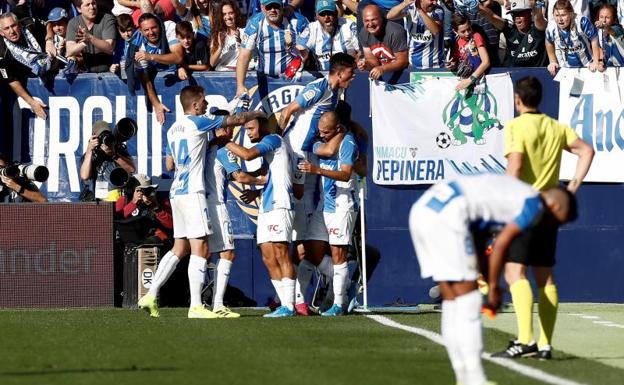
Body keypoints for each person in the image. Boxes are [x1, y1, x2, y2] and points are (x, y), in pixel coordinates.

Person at [410, 173, 578, 385]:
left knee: (453, 300)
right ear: (556, 207)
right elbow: (501, 244)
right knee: (468, 301)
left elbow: (480, 239)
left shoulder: (510, 195)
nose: (550, 227)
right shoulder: (534, 204)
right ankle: (475, 379)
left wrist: (488, 281)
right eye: (556, 222)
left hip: (423, 212)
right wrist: (492, 287)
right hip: (449, 216)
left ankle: (463, 375)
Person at [138, 85, 264, 319]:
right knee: (201, 249)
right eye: (203, 102)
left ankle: (150, 293)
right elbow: (234, 120)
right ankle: (196, 306)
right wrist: (257, 114)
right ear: (194, 105)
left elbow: (169, 165)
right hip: (194, 192)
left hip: (177, 191)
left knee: (180, 247)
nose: (205, 105)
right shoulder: (198, 123)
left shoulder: (173, 129)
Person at [493, 76, 594, 359]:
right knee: (545, 277)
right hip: (550, 209)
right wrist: (572, 188)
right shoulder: (555, 126)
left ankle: (525, 340)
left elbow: (515, 166)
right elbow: (587, 151)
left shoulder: (515, 126)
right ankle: (546, 344)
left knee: (514, 272)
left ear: (517, 99)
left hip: (525, 206)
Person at [276, 53, 356, 314]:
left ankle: (319, 296)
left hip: (309, 157)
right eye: (351, 73)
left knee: (304, 220)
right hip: (296, 152)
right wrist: (276, 145)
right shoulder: (319, 87)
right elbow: (289, 110)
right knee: (294, 204)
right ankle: (300, 298)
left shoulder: (334, 95)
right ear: (340, 72)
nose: (353, 77)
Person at [225, 116, 296, 318]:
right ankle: (284, 304)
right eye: (246, 129)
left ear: (263, 127)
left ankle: (290, 306)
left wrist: (225, 142)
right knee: (267, 255)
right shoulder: (270, 151)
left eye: (251, 128)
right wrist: (257, 191)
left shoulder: (273, 139)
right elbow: (265, 174)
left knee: (281, 252)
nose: (248, 133)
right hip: (266, 205)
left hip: (280, 204)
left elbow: (247, 156)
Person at [298, 111, 358, 316]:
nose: (322, 135)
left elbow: (345, 174)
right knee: (310, 250)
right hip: (325, 206)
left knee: (337, 254)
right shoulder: (322, 142)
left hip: (342, 204)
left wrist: (317, 170)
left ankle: (339, 304)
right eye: (320, 131)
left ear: (338, 128)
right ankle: (348, 284)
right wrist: (326, 144)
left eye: (326, 132)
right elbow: (314, 146)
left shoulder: (348, 143)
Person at [236, 0, 309, 95]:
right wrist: (240, 85)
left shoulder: (299, 22)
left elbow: (307, 54)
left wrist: (292, 47)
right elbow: (244, 56)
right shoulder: (254, 23)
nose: (273, 10)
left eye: (276, 6)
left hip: (293, 80)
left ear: (282, 6)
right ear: (262, 8)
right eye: (268, 7)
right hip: (264, 79)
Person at [126, 12, 183, 124]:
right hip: (157, 68)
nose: (151, 32)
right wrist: (156, 104)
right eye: (146, 30)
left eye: (154, 28)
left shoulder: (169, 27)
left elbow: (178, 57)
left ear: (159, 25)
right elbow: (146, 81)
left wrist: (151, 56)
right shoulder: (137, 46)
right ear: (141, 31)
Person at [0, 12, 53, 120]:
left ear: (19, 24)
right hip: (27, 74)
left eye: (13, 26)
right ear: (1, 32)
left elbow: (49, 24)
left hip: (50, 60)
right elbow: (12, 80)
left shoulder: (29, 23)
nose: (12, 31)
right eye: (6, 28)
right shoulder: (2, 52)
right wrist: (32, 103)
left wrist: (49, 40)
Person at [477, 0, 548, 67]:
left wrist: (538, 6)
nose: (517, 17)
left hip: (537, 75)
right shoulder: (510, 30)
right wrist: (477, 6)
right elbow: (491, 16)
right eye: (514, 14)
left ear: (530, 14)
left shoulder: (538, 30)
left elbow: (539, 18)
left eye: (520, 13)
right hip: (513, 74)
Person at [296, 0, 360, 71]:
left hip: (347, 75)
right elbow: (300, 49)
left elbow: (362, 50)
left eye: (330, 13)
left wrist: (357, 60)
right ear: (316, 15)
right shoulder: (311, 28)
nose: (326, 17)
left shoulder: (349, 25)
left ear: (336, 13)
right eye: (322, 14)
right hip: (321, 76)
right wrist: (303, 54)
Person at [115, 173, 173, 246]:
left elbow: (170, 224)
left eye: (148, 189)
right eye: (140, 190)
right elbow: (118, 222)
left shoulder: (159, 200)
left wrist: (155, 207)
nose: (143, 193)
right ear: (133, 190)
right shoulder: (124, 200)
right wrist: (133, 203)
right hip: (130, 241)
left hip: (155, 240)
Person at [545, 0, 600, 75]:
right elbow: (548, 41)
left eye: (563, 15)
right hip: (565, 69)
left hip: (587, 66)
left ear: (571, 14)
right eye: (557, 15)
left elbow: (594, 38)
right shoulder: (551, 27)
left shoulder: (582, 21)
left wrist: (596, 61)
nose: (560, 19)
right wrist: (552, 61)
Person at [386, 0, 445, 69]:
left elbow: (435, 30)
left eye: (436, 0)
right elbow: (389, 16)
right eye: (431, 0)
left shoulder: (438, 10)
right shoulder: (410, 8)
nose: (435, 2)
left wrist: (420, 10)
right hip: (413, 65)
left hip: (434, 66)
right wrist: (405, 3)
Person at [358, 4, 409, 80]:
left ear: (382, 18)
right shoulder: (363, 33)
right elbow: (372, 61)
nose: (370, 24)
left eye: (373, 19)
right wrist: (366, 65)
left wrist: (382, 68)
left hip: (402, 74)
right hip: (383, 75)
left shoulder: (395, 32)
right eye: (367, 21)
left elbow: (403, 61)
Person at [65, 0, 116, 73]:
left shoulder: (107, 19)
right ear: (79, 9)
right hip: (86, 73)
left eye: (93, 3)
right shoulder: (74, 23)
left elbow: (110, 48)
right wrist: (83, 43)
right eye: (87, 5)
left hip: (109, 71)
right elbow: (69, 51)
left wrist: (90, 38)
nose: (92, 7)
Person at [447, 13, 490, 91]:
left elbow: (486, 62)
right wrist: (452, 64)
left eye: (469, 29)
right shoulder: (457, 42)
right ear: (455, 31)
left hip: (477, 81)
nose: (467, 33)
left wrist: (470, 80)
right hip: (463, 81)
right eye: (463, 31)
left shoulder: (476, 37)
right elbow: (456, 60)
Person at [209, 0, 249, 71]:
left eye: (231, 13)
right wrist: (220, 47)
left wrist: (239, 42)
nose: (228, 17)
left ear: (236, 14)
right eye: (224, 14)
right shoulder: (217, 35)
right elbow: (212, 63)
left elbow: (248, 58)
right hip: (222, 75)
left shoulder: (245, 32)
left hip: (240, 72)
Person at [594, 3, 624, 67]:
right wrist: (601, 62)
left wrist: (604, 26)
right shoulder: (599, 32)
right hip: (611, 67)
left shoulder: (617, 29)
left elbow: (610, 30)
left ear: (613, 19)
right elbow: (601, 50)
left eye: (607, 17)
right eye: (601, 17)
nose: (604, 20)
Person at [110, 13, 136, 77]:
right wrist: (113, 67)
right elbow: (116, 62)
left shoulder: (140, 40)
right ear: (118, 31)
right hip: (125, 77)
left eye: (129, 30)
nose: (126, 34)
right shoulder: (118, 44)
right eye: (123, 31)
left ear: (134, 27)